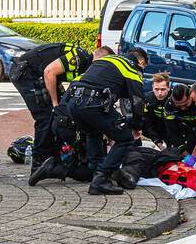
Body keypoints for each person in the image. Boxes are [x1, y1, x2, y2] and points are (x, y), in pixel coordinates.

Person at [58, 48, 149, 195]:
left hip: (73, 103)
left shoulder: (105, 61)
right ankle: (101, 178)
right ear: (141, 61)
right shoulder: (131, 66)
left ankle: (97, 174)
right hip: (93, 103)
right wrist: (137, 126)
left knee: (93, 133)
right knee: (125, 138)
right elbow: (137, 100)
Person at [9, 42, 92, 173]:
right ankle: (39, 161)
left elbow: (57, 76)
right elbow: (49, 72)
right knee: (46, 116)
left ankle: (56, 154)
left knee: (59, 114)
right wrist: (55, 103)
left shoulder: (84, 64)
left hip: (38, 74)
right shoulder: (80, 57)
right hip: (26, 73)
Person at [165, 83, 196, 153]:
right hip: (184, 127)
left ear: (191, 96)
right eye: (178, 106)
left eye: (185, 104)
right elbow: (172, 131)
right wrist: (182, 149)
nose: (182, 108)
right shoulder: (169, 105)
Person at [142, 72, 173, 150]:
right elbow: (148, 122)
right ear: (152, 87)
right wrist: (157, 141)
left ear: (168, 88)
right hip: (158, 126)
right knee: (132, 119)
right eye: (156, 89)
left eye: (163, 89)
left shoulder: (174, 98)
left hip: (173, 128)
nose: (159, 93)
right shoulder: (148, 98)